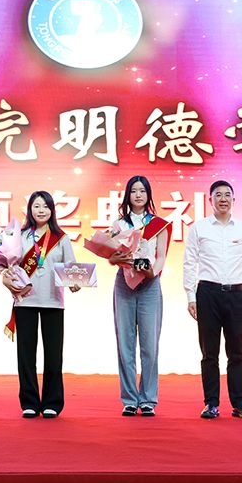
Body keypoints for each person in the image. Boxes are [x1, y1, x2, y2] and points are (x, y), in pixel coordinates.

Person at [183, 180, 242, 420]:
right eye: (218, 195)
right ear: (210, 200)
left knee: (237, 352)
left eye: (227, 195)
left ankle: (239, 403)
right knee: (209, 352)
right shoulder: (199, 228)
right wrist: (190, 296)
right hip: (207, 293)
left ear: (233, 200)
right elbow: (189, 263)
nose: (223, 199)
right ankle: (211, 404)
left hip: (237, 295)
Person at [2, 191, 80, 418]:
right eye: (37, 206)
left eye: (45, 206)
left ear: (52, 210)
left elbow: (71, 268)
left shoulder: (61, 238)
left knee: (54, 355)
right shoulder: (19, 236)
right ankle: (29, 402)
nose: (41, 210)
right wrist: (7, 278)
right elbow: (8, 266)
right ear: (30, 209)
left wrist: (75, 282)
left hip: (53, 301)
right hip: (25, 300)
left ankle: (52, 403)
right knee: (26, 354)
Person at [108, 176, 171, 417]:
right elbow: (111, 256)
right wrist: (115, 259)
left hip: (150, 285)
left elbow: (161, 256)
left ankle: (147, 399)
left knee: (150, 345)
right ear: (127, 195)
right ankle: (129, 399)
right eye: (133, 191)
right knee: (125, 344)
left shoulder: (158, 224)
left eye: (142, 191)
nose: (138, 195)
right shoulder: (118, 224)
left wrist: (153, 272)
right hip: (124, 284)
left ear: (148, 195)